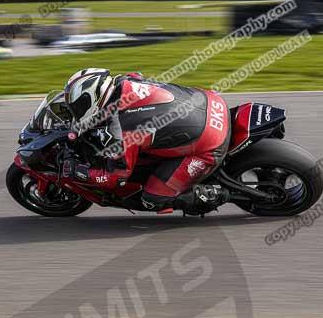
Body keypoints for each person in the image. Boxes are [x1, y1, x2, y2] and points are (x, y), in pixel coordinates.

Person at [60, 68, 231, 214]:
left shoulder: (121, 131)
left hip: (209, 143)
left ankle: (215, 195)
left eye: (76, 106)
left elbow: (116, 178)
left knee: (153, 199)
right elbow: (138, 75)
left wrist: (80, 172)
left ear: (92, 100)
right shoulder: (123, 81)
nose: (75, 110)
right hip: (209, 102)